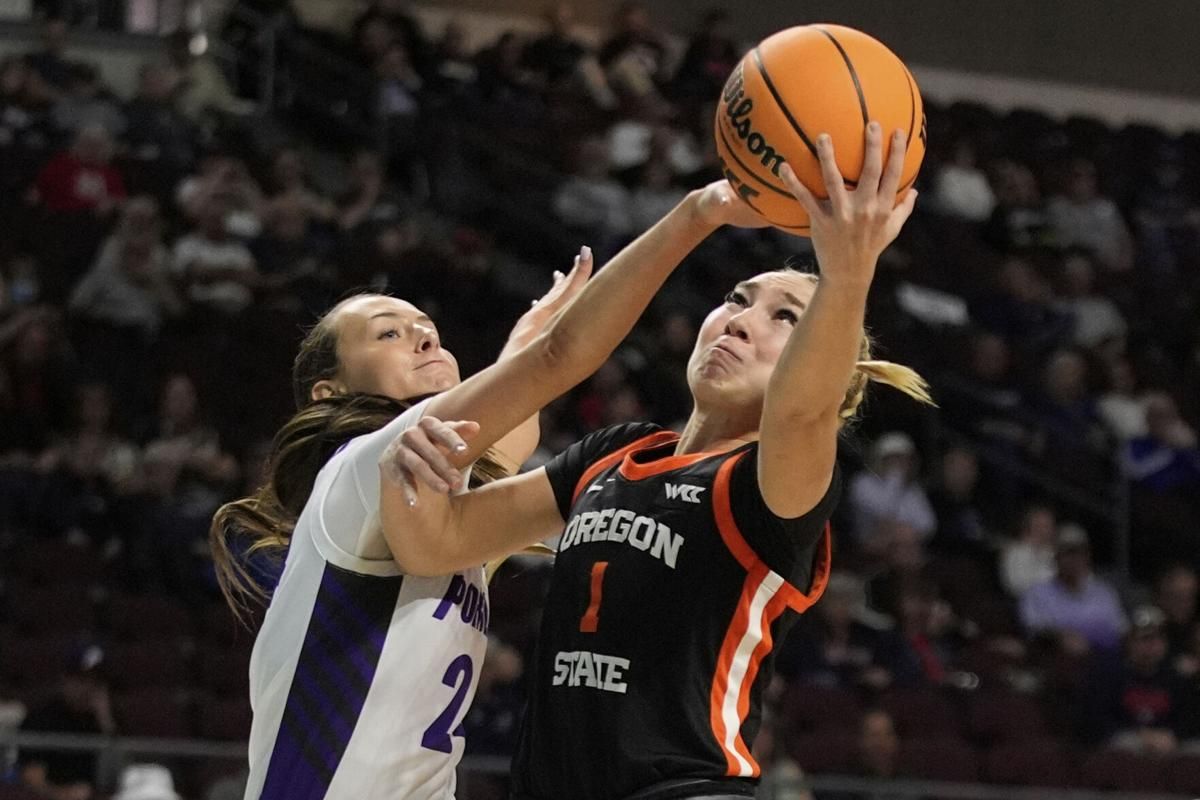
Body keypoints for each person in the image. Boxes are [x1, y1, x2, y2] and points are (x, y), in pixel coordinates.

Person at [386, 125, 932, 798]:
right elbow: (436, 541)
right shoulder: (612, 454)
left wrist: (850, 269)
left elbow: (800, 412)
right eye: (737, 299)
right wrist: (697, 211)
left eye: (785, 317)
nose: (740, 321)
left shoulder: (774, 489)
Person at [209, 174, 768, 799]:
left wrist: (522, 343)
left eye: (427, 327)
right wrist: (695, 215)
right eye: (388, 333)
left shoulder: (442, 494)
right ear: (330, 393)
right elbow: (558, 364)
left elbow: (512, 431)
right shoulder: (363, 465)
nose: (423, 335)